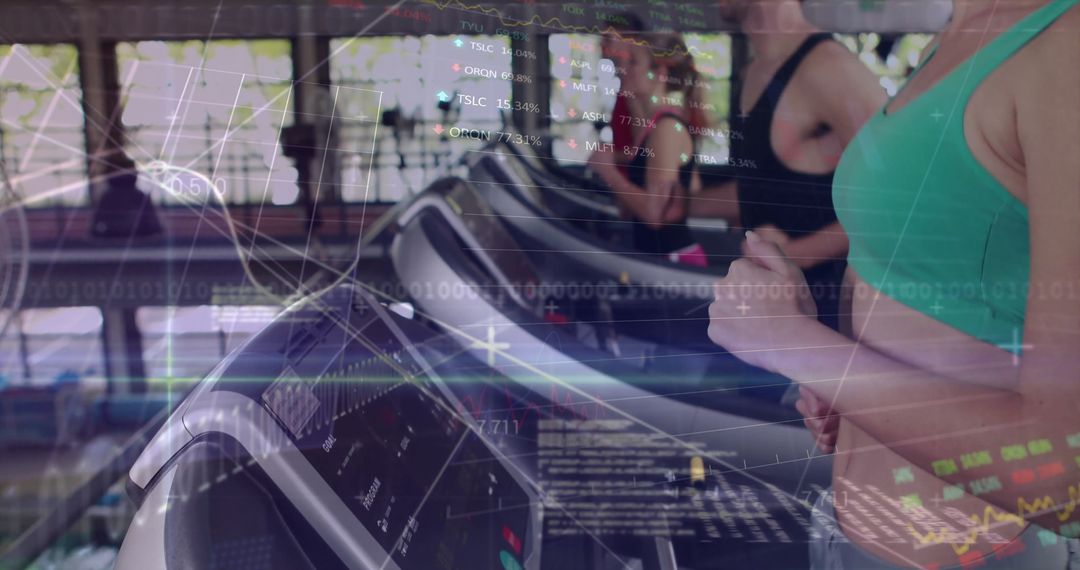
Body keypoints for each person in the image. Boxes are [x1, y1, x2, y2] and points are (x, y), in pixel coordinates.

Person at [708, 0, 1080, 568]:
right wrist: (839, 372)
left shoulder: (1064, 47)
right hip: (848, 534)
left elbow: (1063, 479)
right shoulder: (955, 36)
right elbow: (908, 269)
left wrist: (790, 342)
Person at [706, 0, 886, 329]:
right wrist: (676, 202)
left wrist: (798, 253)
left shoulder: (830, 68)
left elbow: (905, 198)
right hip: (772, 318)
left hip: (830, 323)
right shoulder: (754, 72)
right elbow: (762, 187)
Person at [588, 32, 707, 262]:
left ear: (660, 73)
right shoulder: (651, 126)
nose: (622, 68)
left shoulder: (666, 128)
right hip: (657, 258)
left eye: (633, 62)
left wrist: (609, 172)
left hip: (675, 262)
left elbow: (655, 215)